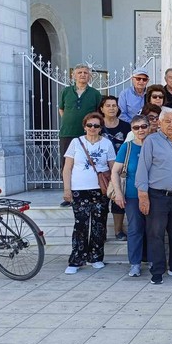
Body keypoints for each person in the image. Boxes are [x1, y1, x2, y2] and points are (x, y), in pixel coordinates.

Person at [135, 107, 172, 285]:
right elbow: (143, 168)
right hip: (158, 196)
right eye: (167, 121)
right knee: (156, 234)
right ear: (159, 123)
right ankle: (158, 270)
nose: (171, 125)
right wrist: (143, 195)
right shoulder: (151, 141)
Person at [62, 112, 115, 274]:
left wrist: (115, 187)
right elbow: (67, 168)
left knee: (99, 224)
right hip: (79, 190)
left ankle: (96, 257)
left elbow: (113, 167)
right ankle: (76, 259)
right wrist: (67, 189)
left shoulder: (107, 143)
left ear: (101, 128)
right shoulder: (76, 142)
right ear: (84, 127)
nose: (92, 128)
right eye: (89, 125)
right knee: (81, 224)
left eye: (96, 125)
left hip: (100, 190)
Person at [112, 115, 150, 277]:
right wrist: (118, 193)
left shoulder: (155, 145)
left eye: (143, 126)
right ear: (132, 130)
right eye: (136, 127)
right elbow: (115, 171)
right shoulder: (127, 147)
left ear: (149, 127)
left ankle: (152, 259)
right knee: (135, 229)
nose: (140, 130)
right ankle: (135, 263)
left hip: (154, 195)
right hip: (132, 195)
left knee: (153, 229)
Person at [58, 64, 102, 206]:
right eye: (79, 72)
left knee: (85, 163)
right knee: (66, 164)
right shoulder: (66, 91)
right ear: (73, 75)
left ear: (90, 76)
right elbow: (61, 109)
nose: (82, 75)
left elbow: (98, 113)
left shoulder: (95, 94)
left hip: (87, 135)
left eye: (85, 73)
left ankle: (86, 192)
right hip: (67, 133)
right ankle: (68, 194)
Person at [99, 95, 129, 240]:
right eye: (108, 105)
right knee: (102, 202)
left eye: (114, 105)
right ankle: (102, 232)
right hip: (101, 169)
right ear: (102, 109)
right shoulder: (97, 125)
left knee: (118, 199)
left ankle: (118, 231)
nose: (111, 108)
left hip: (121, 168)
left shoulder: (126, 126)